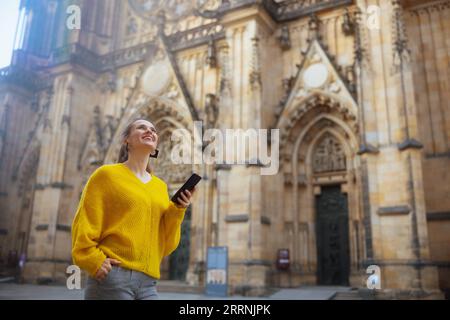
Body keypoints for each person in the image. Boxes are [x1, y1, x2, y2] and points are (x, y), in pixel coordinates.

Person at [71, 118, 195, 300]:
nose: (150, 131)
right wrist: (92, 259)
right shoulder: (106, 175)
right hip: (113, 278)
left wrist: (178, 210)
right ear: (126, 140)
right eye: (141, 127)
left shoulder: (159, 186)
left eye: (153, 129)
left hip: (149, 281)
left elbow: (166, 244)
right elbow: (85, 221)